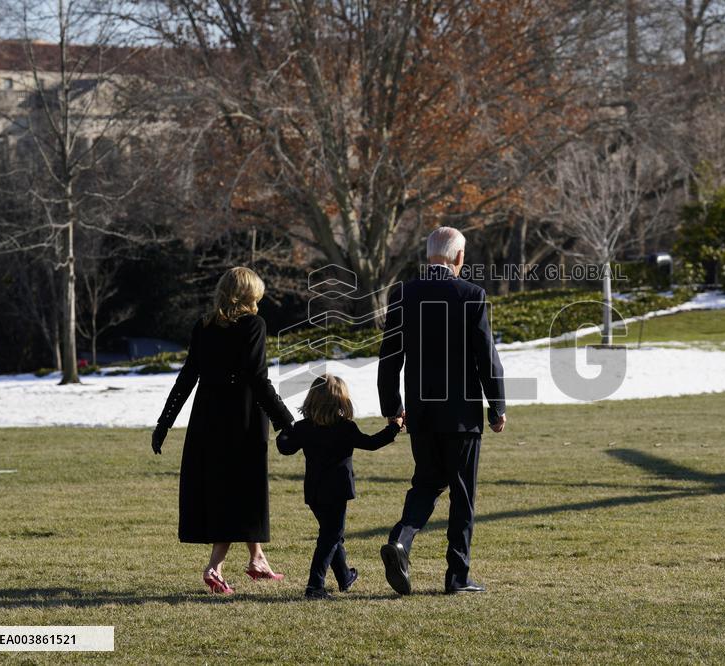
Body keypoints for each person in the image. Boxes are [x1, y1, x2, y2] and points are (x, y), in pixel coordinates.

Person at [377, 226, 507, 595]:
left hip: (422, 412)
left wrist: (393, 407)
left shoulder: (403, 294)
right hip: (461, 414)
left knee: (426, 483)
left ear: (428, 254)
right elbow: (486, 357)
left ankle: (401, 540)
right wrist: (497, 405)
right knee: (462, 494)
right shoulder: (471, 295)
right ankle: (457, 576)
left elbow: (389, 358)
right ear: (459, 257)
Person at [151, 266, 294, 595]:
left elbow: (187, 378)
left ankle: (258, 559)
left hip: (208, 418)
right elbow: (258, 379)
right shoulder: (254, 325)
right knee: (239, 490)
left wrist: (164, 423)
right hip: (243, 419)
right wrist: (286, 421)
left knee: (233, 489)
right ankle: (215, 567)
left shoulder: (204, 326)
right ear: (248, 294)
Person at [276, 374, 402, 600]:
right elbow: (371, 443)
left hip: (314, 492)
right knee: (331, 536)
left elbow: (285, 448)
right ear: (341, 401)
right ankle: (315, 586)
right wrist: (394, 427)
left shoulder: (304, 428)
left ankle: (345, 577)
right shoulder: (345, 428)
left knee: (332, 533)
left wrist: (286, 427)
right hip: (336, 492)